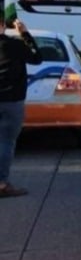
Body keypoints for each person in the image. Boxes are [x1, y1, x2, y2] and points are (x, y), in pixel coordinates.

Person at [0, 16, 43, 197]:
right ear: (2, 26)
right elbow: (37, 57)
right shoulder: (13, 45)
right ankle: (2, 183)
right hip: (11, 100)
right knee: (5, 142)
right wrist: (24, 33)